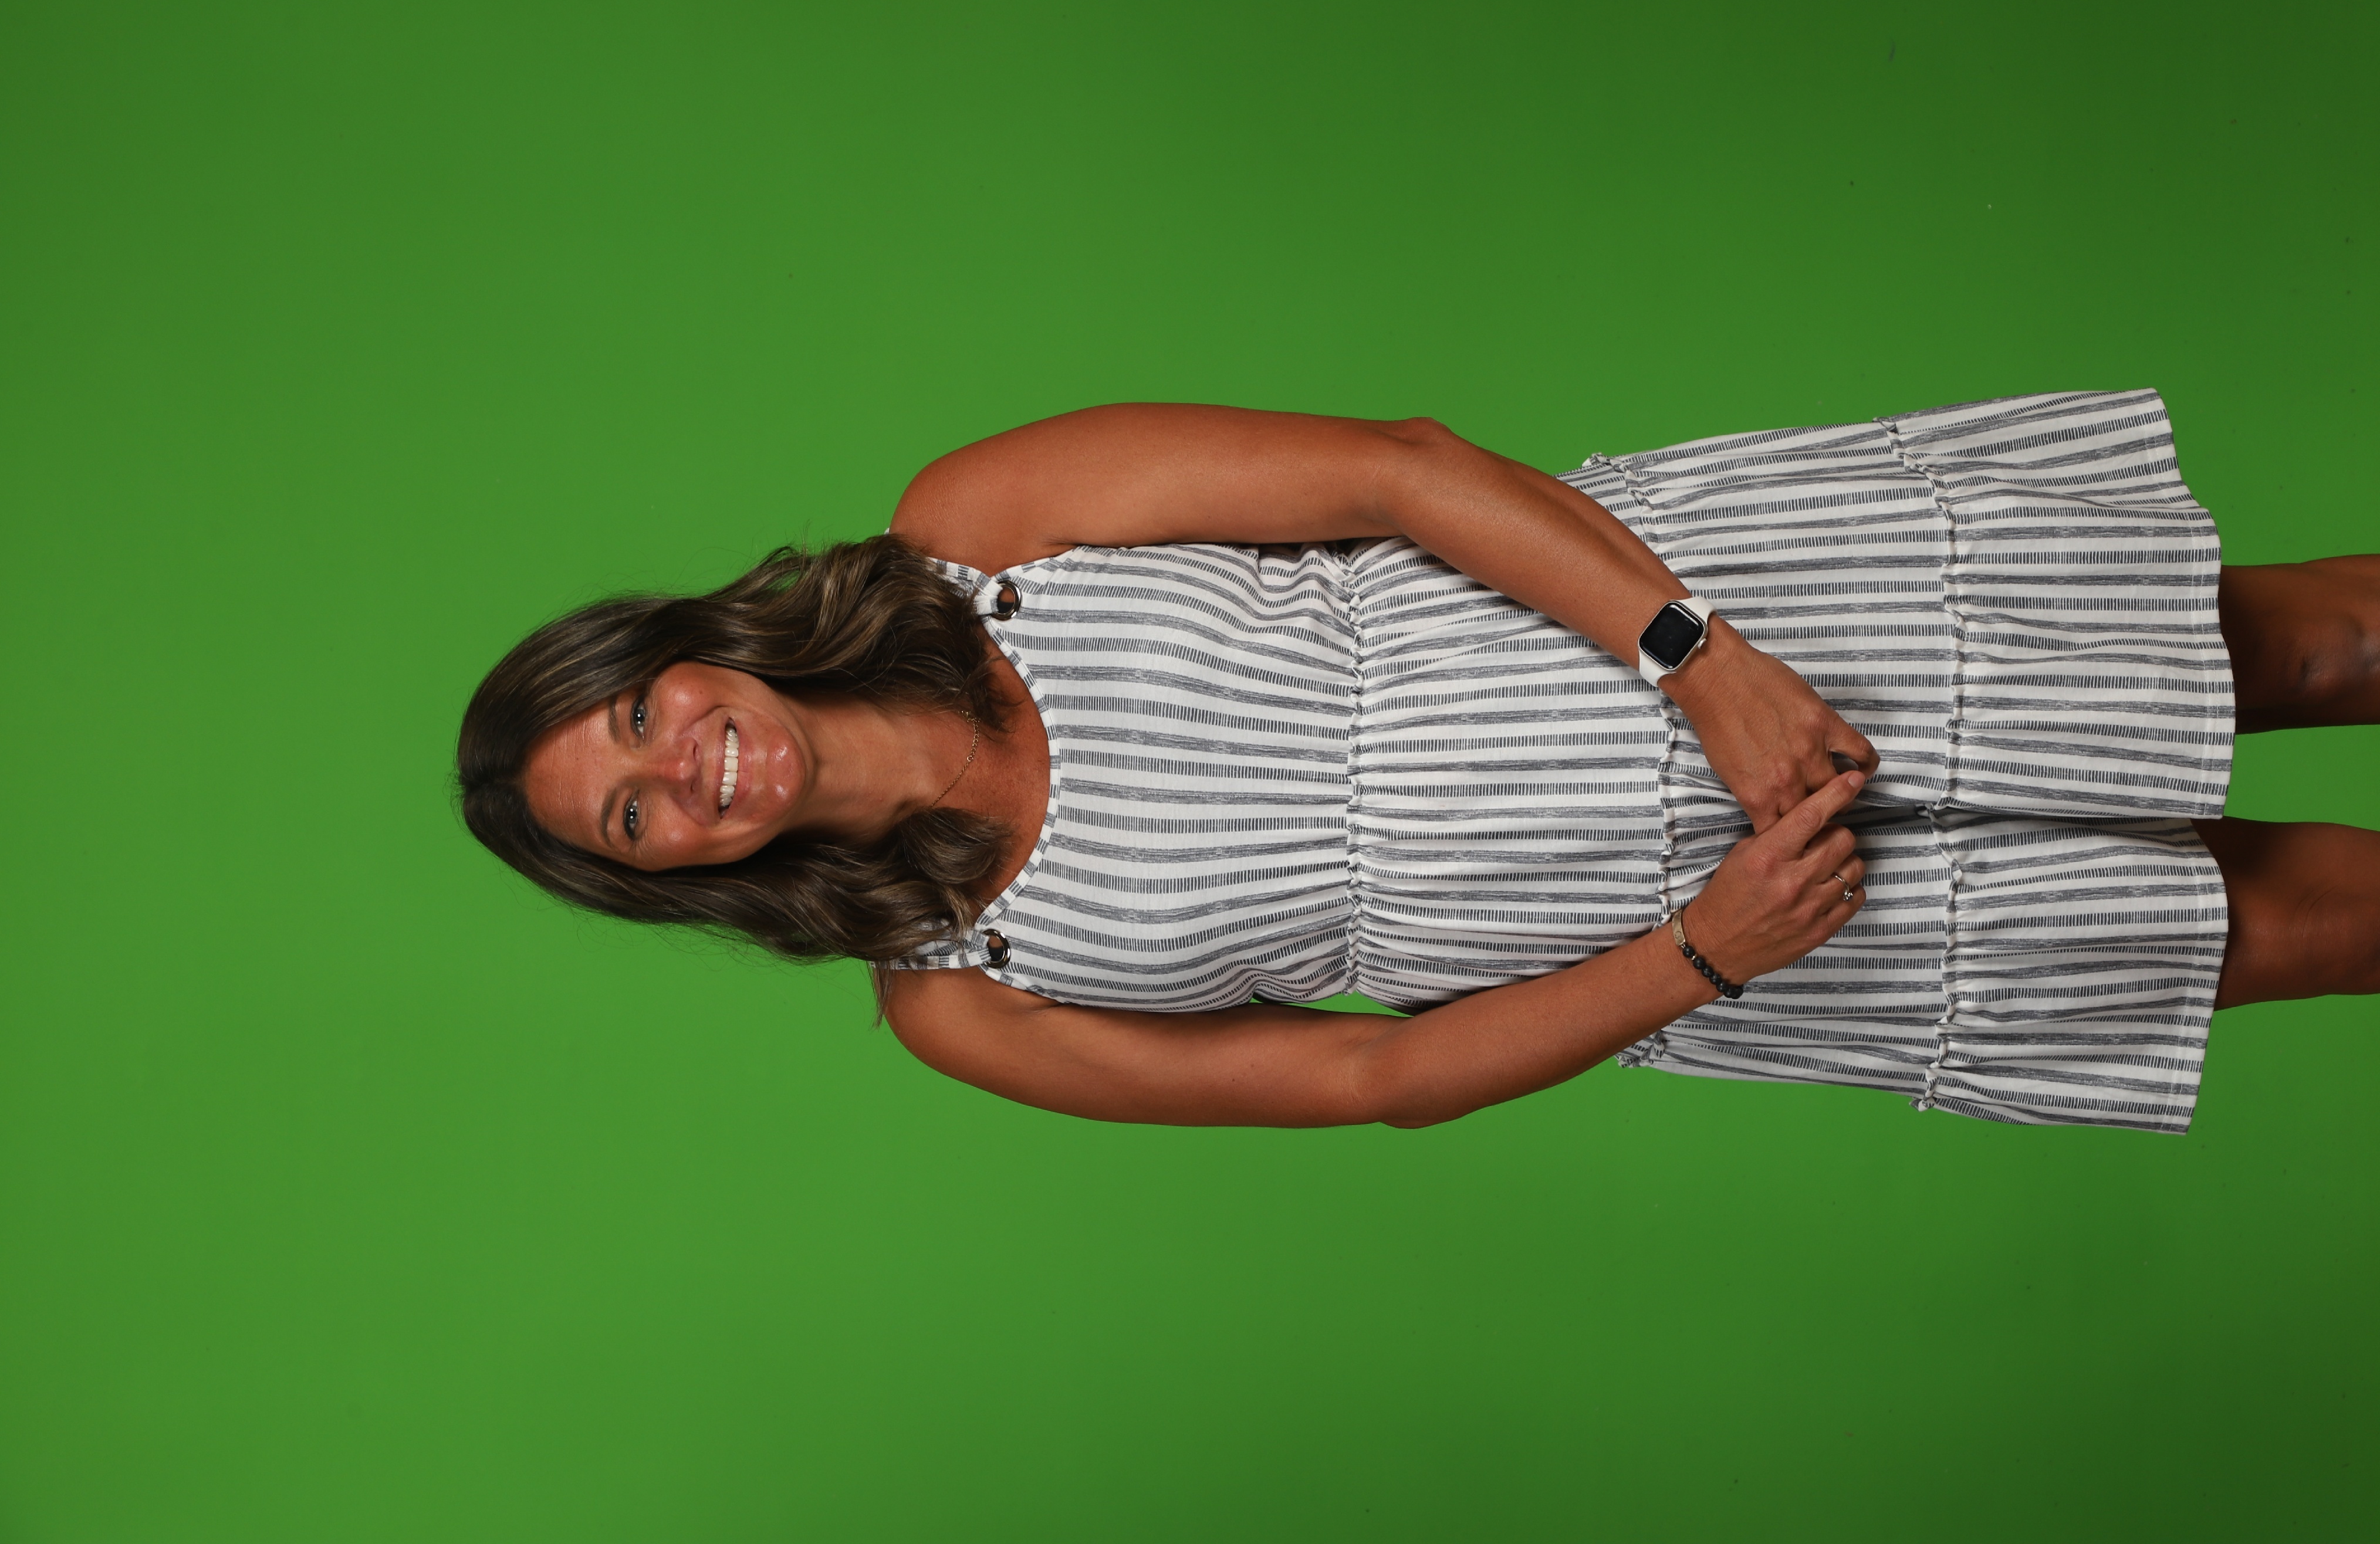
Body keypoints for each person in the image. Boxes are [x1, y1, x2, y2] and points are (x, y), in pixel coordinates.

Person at [457, 391, 2380, 1135]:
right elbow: (1370, 1072)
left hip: (1723, 634)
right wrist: (1706, 952)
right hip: (1744, 926)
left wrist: (1700, 663)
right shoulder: (963, 999)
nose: (684, 770)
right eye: (633, 816)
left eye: (636, 717)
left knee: (2317, 645)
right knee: (2304, 926)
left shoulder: (978, 527)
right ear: (669, 877)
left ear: (677, 651)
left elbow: (1399, 476)